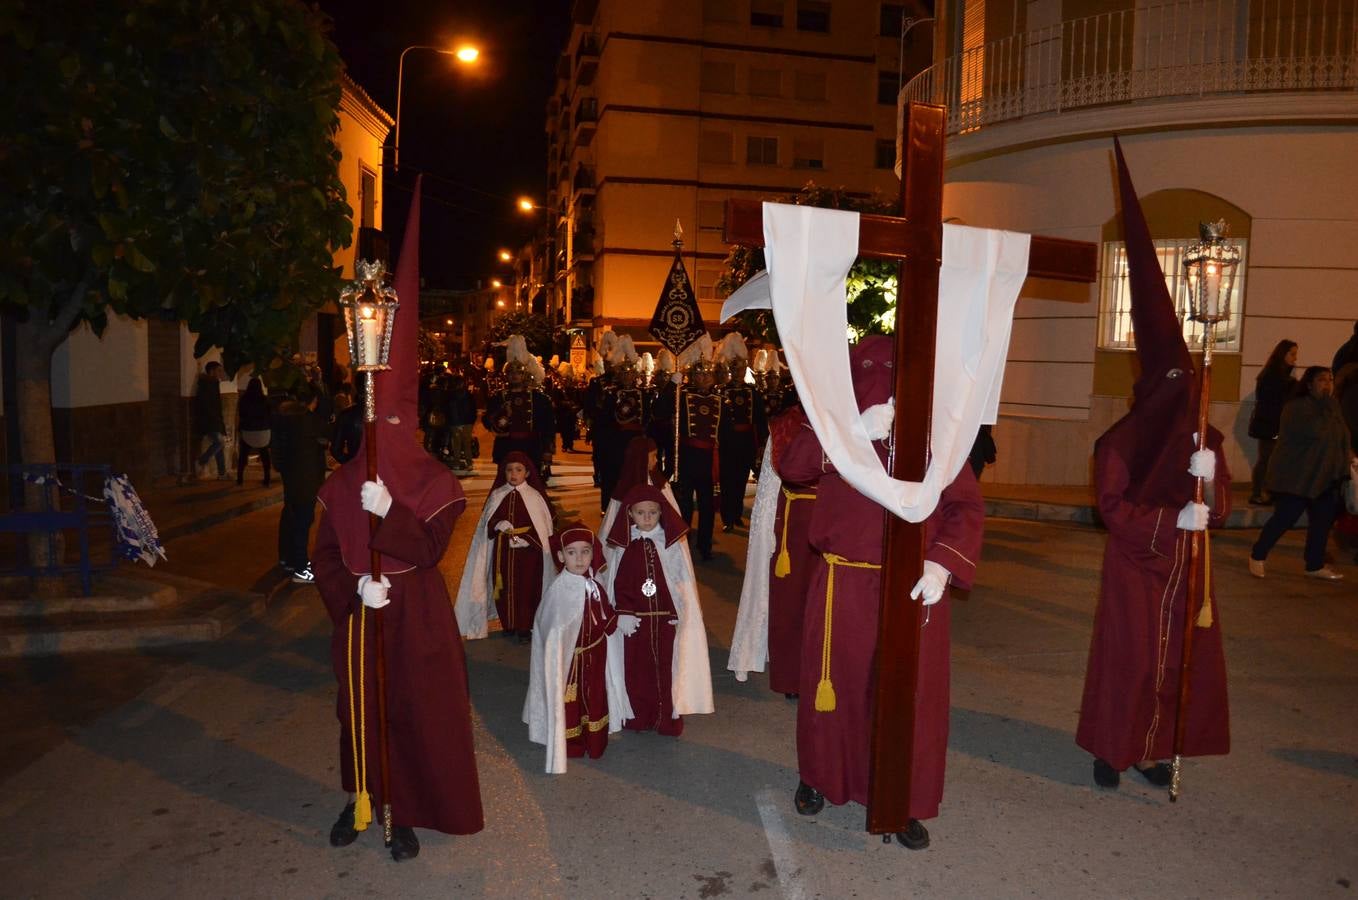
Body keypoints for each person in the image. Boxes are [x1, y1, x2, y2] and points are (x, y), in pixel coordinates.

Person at [313, 212, 483, 861]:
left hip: (418, 615)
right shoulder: (342, 482)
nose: (380, 422)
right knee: (359, 710)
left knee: (412, 713)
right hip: (363, 614)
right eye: (371, 411)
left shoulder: (433, 480)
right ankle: (361, 798)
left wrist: (392, 514)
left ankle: (402, 809)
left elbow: (433, 547)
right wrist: (353, 586)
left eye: (391, 412)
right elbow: (324, 556)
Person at [776, 336, 984, 851]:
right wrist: (850, 434)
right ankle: (822, 776)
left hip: (913, 587)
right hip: (843, 579)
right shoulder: (829, 414)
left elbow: (964, 506)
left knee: (909, 699)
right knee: (835, 686)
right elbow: (793, 465)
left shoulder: (937, 432)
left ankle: (901, 798)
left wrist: (941, 565)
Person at [1077, 141, 1232, 794]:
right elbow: (1112, 511)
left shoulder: (1202, 433)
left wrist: (1211, 481)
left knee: (1173, 666)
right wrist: (1175, 518)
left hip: (1185, 573)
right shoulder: (1120, 442)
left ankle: (1154, 749)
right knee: (1130, 661)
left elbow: (1218, 504)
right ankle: (1113, 749)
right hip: (1137, 570)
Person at [602, 484, 714, 735]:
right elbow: (619, 581)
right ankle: (638, 716)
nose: (647, 518)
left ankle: (667, 718)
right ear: (630, 514)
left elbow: (679, 581)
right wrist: (623, 611)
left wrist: (678, 611)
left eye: (653, 512)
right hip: (636, 623)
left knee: (667, 669)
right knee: (636, 670)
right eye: (641, 513)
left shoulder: (670, 543)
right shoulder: (625, 544)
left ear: (661, 512)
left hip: (665, 621)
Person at [523, 522, 630, 773]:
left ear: (593, 553)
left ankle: (595, 743)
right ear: (561, 556)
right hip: (570, 662)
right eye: (572, 552)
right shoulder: (558, 590)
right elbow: (550, 629)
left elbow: (605, 615)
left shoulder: (595, 582)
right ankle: (571, 745)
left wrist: (619, 622)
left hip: (595, 654)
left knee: (594, 698)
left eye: (585, 551)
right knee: (571, 702)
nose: (580, 558)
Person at [1248, 366, 1354, 581]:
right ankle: (1257, 555)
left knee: (1321, 523)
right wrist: (1326, 407)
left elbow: (1342, 435)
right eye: (1322, 380)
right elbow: (1315, 432)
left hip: (1326, 477)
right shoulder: (1296, 408)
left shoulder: (1332, 406)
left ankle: (1314, 564)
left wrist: (1347, 459)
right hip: (1298, 477)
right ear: (1309, 384)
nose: (1327, 384)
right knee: (1284, 518)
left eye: (1330, 380)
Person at [454, 451, 555, 641]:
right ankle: (508, 624)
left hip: (528, 556)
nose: (513, 474)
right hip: (504, 553)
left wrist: (527, 538)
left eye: (518, 470)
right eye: (509, 470)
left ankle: (524, 627)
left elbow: (544, 531)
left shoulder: (535, 497)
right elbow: (487, 526)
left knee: (526, 590)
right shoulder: (497, 495)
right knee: (504, 589)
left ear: (527, 473)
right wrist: (497, 524)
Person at [653, 335, 719, 560]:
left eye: (707, 374)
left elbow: (725, 436)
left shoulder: (721, 401)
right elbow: (659, 410)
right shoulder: (683, 396)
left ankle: (705, 546)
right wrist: (672, 384)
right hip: (686, 458)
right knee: (685, 505)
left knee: (708, 506)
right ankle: (683, 544)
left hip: (708, 460)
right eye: (699, 373)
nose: (703, 377)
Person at [272, 386, 328, 583]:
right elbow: (327, 433)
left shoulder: (284, 418)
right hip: (306, 478)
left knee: (291, 516)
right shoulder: (308, 421)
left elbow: (278, 449)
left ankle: (287, 559)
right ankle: (302, 568)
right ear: (313, 401)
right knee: (303, 521)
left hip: (291, 476)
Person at [714, 333, 767, 532]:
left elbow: (760, 420)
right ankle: (728, 517)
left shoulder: (753, 392)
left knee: (740, 480)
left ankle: (736, 514)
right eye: (735, 369)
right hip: (728, 443)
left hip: (746, 443)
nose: (738, 372)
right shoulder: (721, 391)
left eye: (741, 368)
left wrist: (761, 443)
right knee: (727, 481)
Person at [483, 335, 556, 472]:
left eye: (518, 373)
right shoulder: (499, 397)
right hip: (507, 447)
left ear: (525, 375)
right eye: (511, 373)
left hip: (532, 448)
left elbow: (548, 426)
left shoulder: (539, 398)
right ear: (506, 376)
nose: (514, 376)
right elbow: (487, 420)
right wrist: (501, 416)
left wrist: (548, 450)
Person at [1248, 340, 1298, 505]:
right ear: (1282, 354)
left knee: (1273, 460)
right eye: (1292, 353)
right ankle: (1258, 493)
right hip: (1270, 424)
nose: (1295, 358)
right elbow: (1272, 402)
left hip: (1274, 423)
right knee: (1266, 459)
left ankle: (1268, 491)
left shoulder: (1280, 375)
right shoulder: (1273, 376)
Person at [193, 361, 229, 480]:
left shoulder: (213, 383)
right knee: (219, 442)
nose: (220, 373)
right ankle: (202, 461)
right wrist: (215, 419)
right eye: (218, 370)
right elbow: (207, 405)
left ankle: (222, 473)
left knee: (220, 446)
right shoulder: (207, 384)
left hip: (215, 420)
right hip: (209, 420)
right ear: (211, 371)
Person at [235, 376, 272, 487]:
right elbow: (270, 415)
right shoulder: (265, 399)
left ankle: (240, 478)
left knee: (243, 455)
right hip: (263, 432)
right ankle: (267, 479)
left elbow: (241, 415)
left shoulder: (244, 399)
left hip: (248, 431)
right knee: (265, 455)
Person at [446, 372, 478, 471]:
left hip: (455, 423)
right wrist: (472, 421)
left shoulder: (450, 395)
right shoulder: (467, 395)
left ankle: (456, 463)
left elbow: (449, 410)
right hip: (467, 422)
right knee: (466, 443)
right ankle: (469, 463)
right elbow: (473, 409)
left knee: (456, 444)